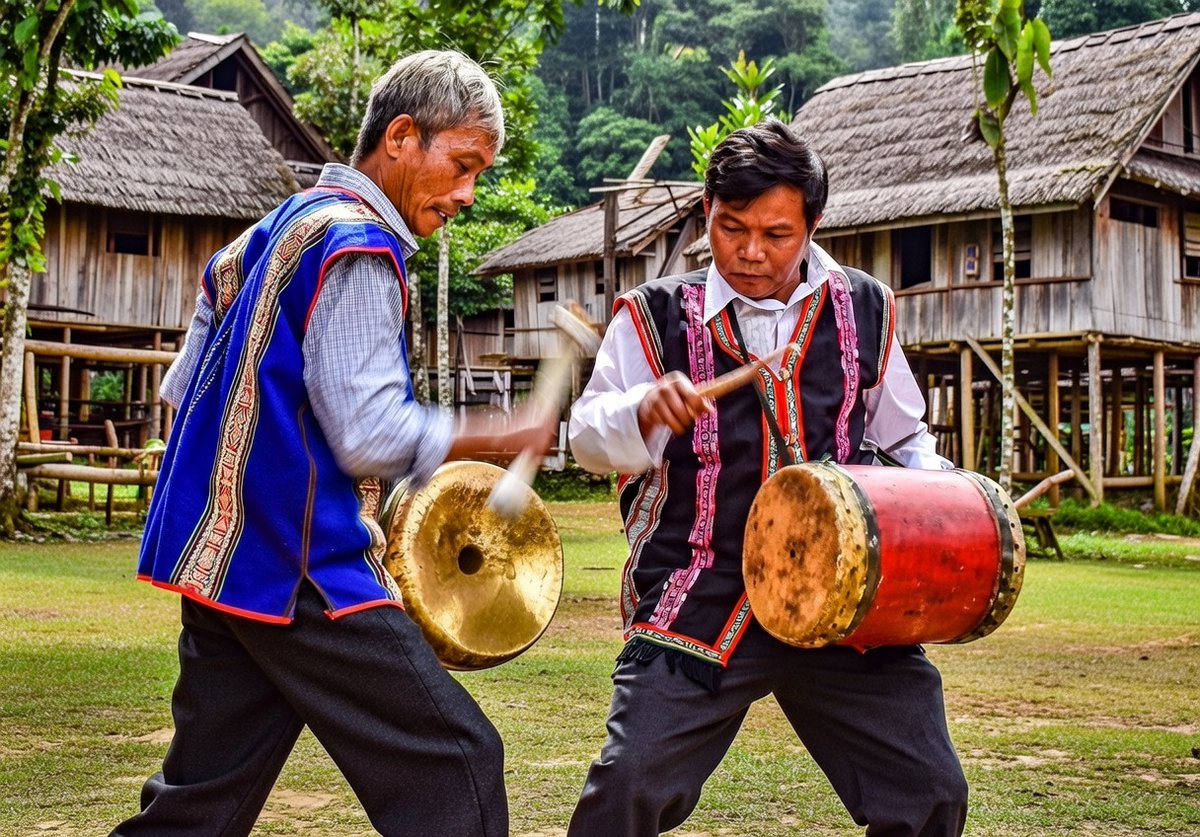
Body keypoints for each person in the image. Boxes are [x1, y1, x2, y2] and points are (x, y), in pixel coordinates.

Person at [111, 50, 554, 837]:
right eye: (461, 165)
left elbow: (183, 388)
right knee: (456, 763)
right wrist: (497, 431)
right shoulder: (359, 246)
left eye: (477, 175)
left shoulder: (270, 233)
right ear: (401, 137)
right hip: (302, 565)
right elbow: (367, 431)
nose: (466, 193)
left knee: (199, 807)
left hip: (223, 564)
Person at [566, 119, 969, 837]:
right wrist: (641, 408)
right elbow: (586, 438)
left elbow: (905, 439)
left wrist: (954, 506)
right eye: (731, 227)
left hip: (842, 595)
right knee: (629, 786)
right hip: (699, 593)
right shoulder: (655, 315)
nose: (750, 252)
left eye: (776, 234)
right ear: (707, 213)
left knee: (930, 792)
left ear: (812, 226)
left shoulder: (864, 308)